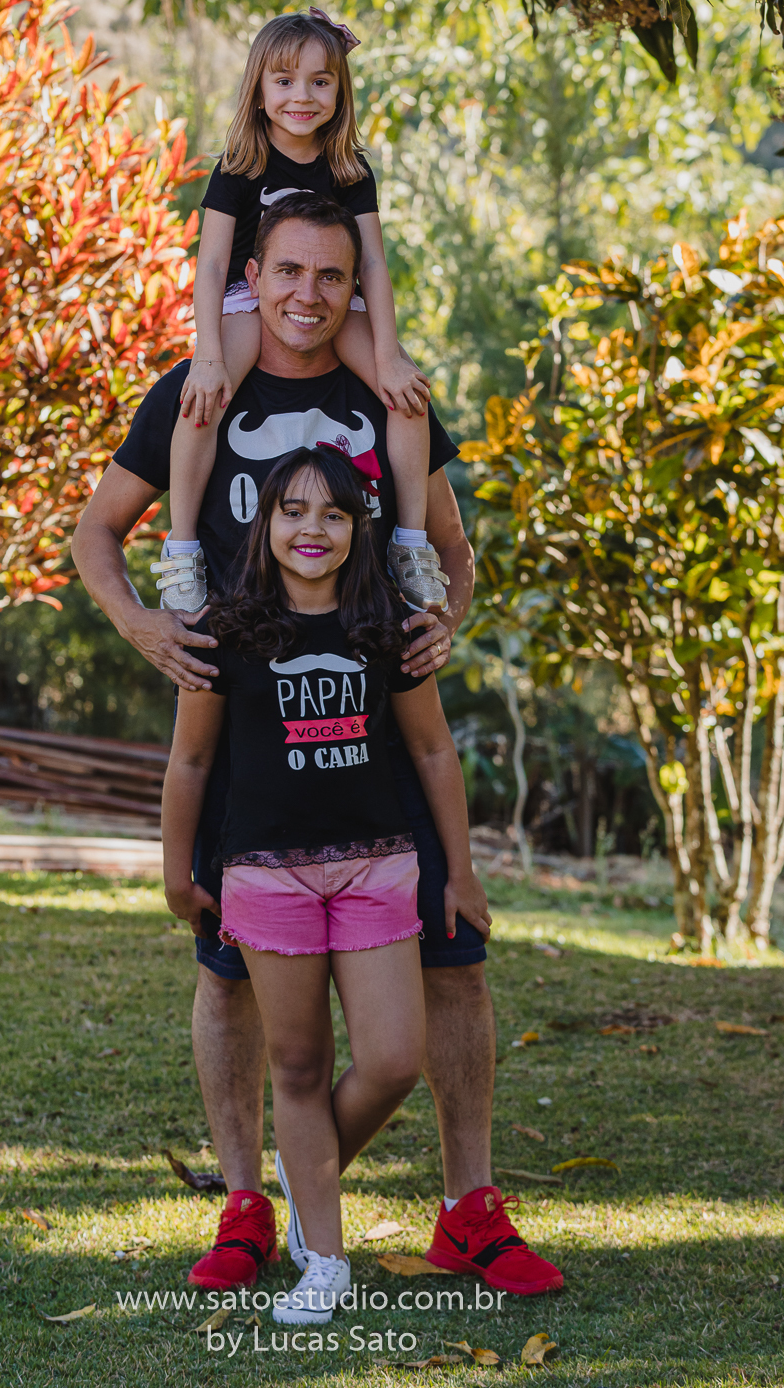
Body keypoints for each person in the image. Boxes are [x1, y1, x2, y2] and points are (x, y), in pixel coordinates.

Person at [71, 193, 563, 1299]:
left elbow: (448, 541)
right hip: (250, 747)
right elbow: (96, 531)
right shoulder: (197, 391)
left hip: (384, 732)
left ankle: (468, 1208)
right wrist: (141, 623)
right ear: (256, 270)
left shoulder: (387, 392)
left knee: (453, 954)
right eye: (286, 272)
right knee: (230, 973)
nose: (306, 296)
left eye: (330, 278)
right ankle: (250, 1207)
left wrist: (453, 610)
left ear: (355, 286)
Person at [163, 444, 484, 1322]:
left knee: (389, 1061)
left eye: (335, 514)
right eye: (294, 511)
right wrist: (174, 873)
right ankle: (326, 1261)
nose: (314, 529)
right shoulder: (228, 632)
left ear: (358, 529)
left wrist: (458, 871)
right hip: (265, 878)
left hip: (378, 866)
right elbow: (190, 761)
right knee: (298, 1066)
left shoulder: (390, 630)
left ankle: (301, 1199)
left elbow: (431, 750)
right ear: (266, 524)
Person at [157, 9, 446, 616]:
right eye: (284, 80)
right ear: (258, 91)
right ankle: (182, 548)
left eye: (321, 81)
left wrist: (389, 356)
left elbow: (371, 266)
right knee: (200, 399)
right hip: (250, 297)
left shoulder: (349, 168)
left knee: (409, 395)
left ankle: (410, 543)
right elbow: (210, 267)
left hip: (333, 302)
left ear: (340, 92)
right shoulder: (239, 167)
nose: (302, 96)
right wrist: (208, 357)